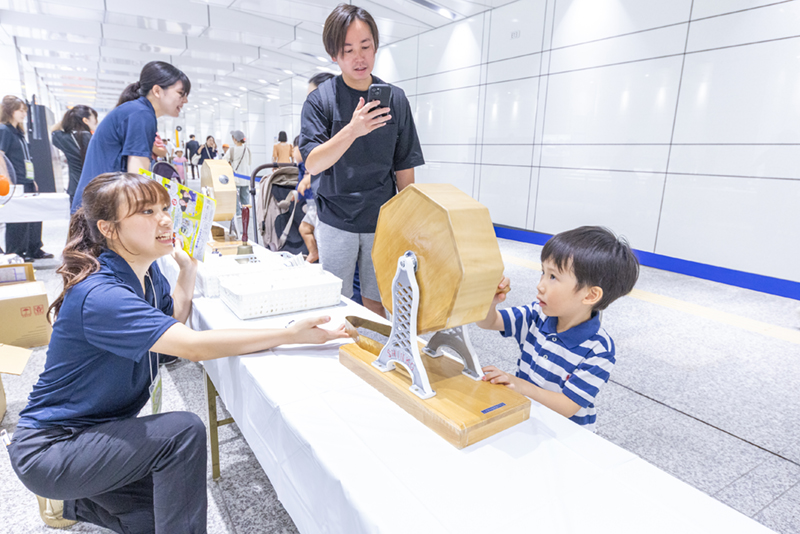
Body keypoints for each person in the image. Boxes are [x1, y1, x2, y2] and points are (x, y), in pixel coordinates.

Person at [7, 172, 348, 532]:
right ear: (108, 228)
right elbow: (193, 347)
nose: (165, 219)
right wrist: (289, 334)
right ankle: (68, 489)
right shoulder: (102, 296)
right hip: (54, 448)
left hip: (97, 433)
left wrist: (188, 270)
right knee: (182, 432)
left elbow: (174, 322)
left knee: (157, 517)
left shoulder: (146, 275)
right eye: (147, 212)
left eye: (165, 207)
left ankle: (76, 499)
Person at [299, 4, 424, 316]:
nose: (359, 57)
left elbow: (404, 164)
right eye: (348, 49)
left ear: (376, 46)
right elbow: (313, 164)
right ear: (334, 55)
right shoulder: (321, 100)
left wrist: (406, 221)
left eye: (366, 46)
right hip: (335, 217)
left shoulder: (395, 99)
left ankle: (372, 357)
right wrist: (353, 130)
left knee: (378, 299)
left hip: (381, 219)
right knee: (335, 299)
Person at [476, 226, 640, 431]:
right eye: (543, 272)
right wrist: (490, 303)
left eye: (553, 277)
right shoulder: (537, 315)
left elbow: (568, 406)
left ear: (590, 295)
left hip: (566, 434)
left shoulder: (599, 349)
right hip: (528, 417)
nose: (540, 285)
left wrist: (519, 385)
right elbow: (488, 322)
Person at [71, 61, 190, 211]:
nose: (185, 100)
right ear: (157, 91)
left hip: (96, 206)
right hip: (101, 211)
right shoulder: (142, 114)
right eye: (181, 93)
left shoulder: (136, 111)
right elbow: (137, 178)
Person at [0, 95, 53, 260]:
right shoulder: (4, 130)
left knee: (35, 214)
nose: (23, 113)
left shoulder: (19, 132)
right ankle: (16, 251)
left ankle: (34, 248)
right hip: (15, 181)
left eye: (24, 110)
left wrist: (32, 179)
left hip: (26, 179)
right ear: (10, 111)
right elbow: (1, 155)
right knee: (18, 218)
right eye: (20, 110)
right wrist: (7, 178)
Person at [51, 105, 98, 207]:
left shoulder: (65, 138)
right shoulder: (97, 139)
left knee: (77, 220)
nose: (96, 121)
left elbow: (53, 131)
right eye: (94, 118)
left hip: (75, 188)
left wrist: (67, 119)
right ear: (85, 120)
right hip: (96, 189)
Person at [292, 136, 318, 263]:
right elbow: (300, 183)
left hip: (317, 205)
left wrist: (304, 182)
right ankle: (314, 252)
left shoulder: (309, 163)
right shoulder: (301, 167)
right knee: (304, 228)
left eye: (294, 150)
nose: (293, 153)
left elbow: (313, 176)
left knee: (309, 229)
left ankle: (315, 253)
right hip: (311, 205)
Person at [223, 130, 251, 217]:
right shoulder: (247, 149)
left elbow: (224, 161)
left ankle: (238, 213)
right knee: (245, 196)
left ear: (234, 139)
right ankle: (246, 213)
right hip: (246, 177)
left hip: (236, 178)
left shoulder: (232, 150)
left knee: (235, 196)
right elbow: (249, 162)